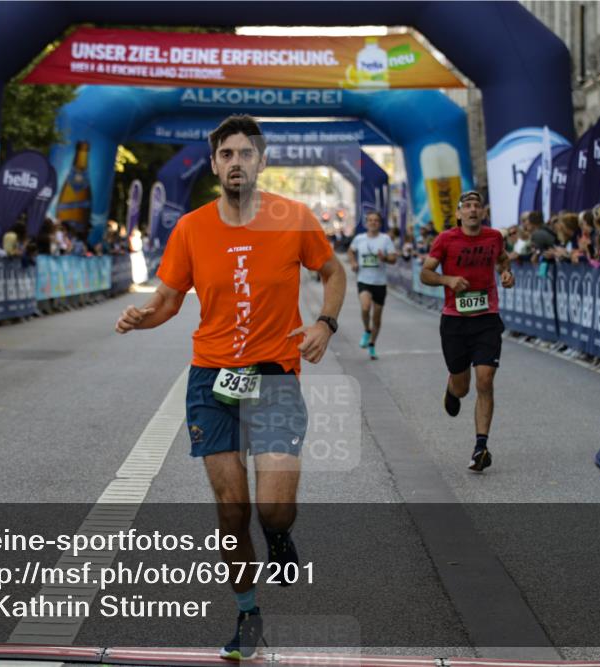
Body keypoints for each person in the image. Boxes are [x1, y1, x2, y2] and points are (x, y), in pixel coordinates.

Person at [115, 114, 346, 660]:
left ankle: (280, 535)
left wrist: (324, 323)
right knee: (231, 508)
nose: (235, 162)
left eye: (245, 153)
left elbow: (332, 273)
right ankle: (247, 612)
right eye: (226, 154)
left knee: (273, 509)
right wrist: (142, 318)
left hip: (275, 377)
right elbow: (168, 300)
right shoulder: (192, 228)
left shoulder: (294, 218)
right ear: (214, 164)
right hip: (211, 379)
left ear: (261, 161)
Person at [420, 191, 514, 472]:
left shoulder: (494, 237)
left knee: (485, 380)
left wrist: (506, 274)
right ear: (459, 214)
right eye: (467, 206)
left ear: (483, 213)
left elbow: (503, 260)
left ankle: (480, 447)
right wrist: (447, 280)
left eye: (477, 206)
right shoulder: (445, 239)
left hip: (487, 319)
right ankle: (452, 388)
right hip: (455, 322)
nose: (473, 210)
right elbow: (425, 273)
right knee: (463, 388)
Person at [347, 211, 397, 359]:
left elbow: (393, 259)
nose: (373, 223)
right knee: (365, 307)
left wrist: (384, 257)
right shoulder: (359, 238)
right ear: (366, 223)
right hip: (364, 280)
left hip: (380, 283)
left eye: (376, 220)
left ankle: (372, 345)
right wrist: (353, 262)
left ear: (380, 224)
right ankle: (367, 331)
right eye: (370, 220)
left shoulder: (385, 239)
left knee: (376, 317)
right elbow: (350, 251)